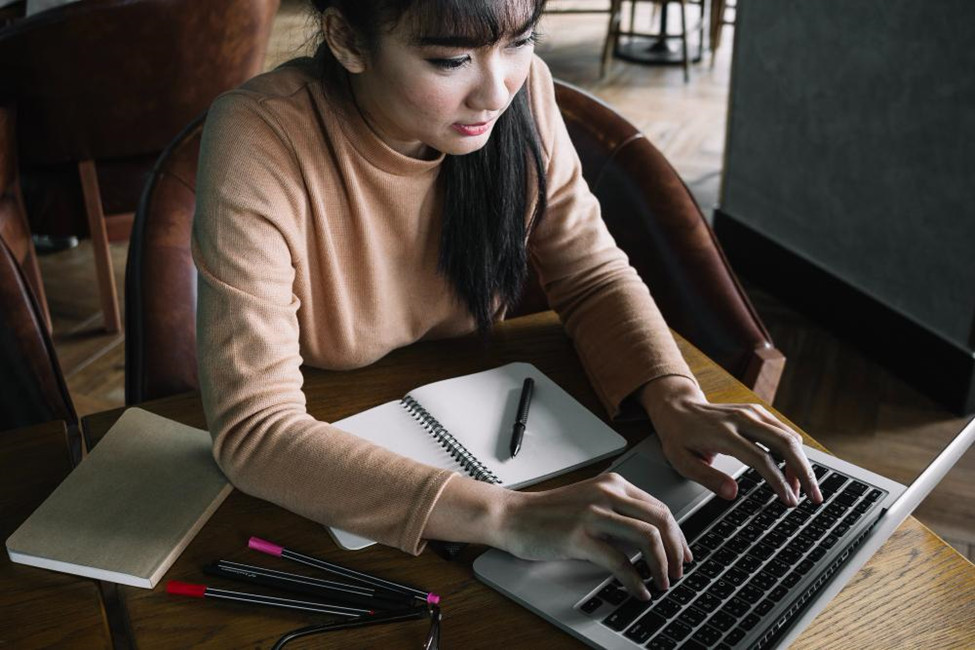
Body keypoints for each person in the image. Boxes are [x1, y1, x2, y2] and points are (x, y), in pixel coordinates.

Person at [193, 0, 822, 602]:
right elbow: (255, 428)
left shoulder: (526, 96)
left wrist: (676, 396)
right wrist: (507, 516)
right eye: (450, 60)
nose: (497, 91)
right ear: (348, 39)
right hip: (336, 454)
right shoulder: (261, 136)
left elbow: (592, 274)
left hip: (488, 414)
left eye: (520, 42)